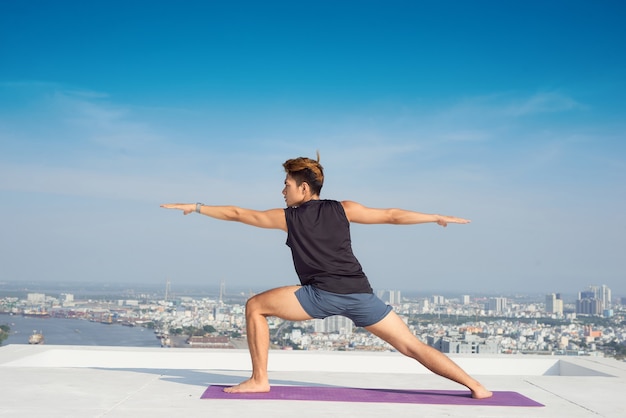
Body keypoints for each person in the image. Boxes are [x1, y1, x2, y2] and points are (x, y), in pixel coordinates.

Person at [161, 154, 492, 399]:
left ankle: (260, 379)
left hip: (319, 295)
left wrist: (197, 206)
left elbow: (237, 214)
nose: (282, 191)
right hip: (360, 294)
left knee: (255, 306)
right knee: (412, 346)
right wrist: (435, 217)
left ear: (303, 188)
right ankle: (476, 387)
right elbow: (392, 216)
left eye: (286, 185)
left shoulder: (287, 218)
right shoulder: (344, 208)